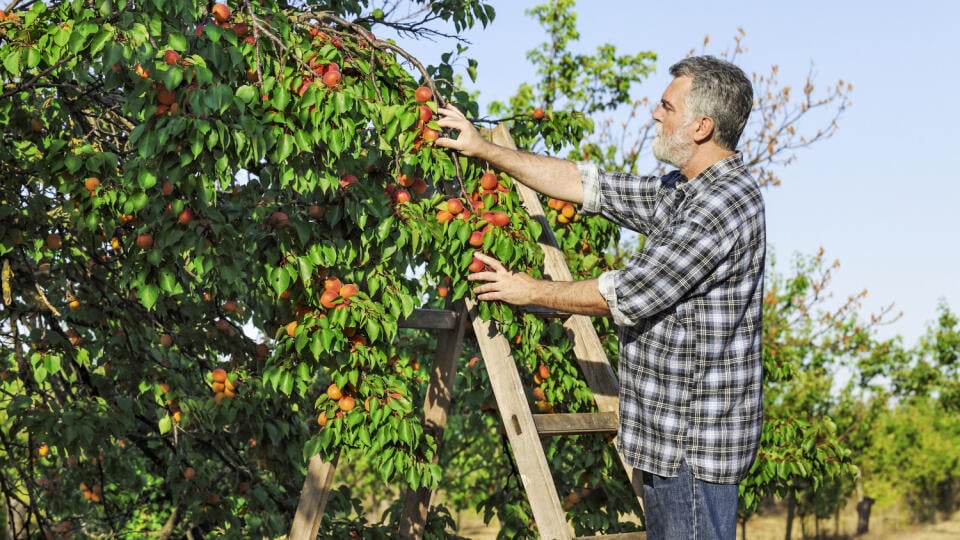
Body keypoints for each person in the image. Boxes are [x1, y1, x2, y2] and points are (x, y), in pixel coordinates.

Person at [435, 55, 764, 540]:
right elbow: (587, 186)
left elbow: (626, 294)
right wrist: (485, 150)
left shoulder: (720, 203)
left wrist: (527, 290)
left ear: (701, 126)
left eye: (666, 107)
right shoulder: (684, 191)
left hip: (693, 447)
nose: (655, 113)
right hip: (666, 438)